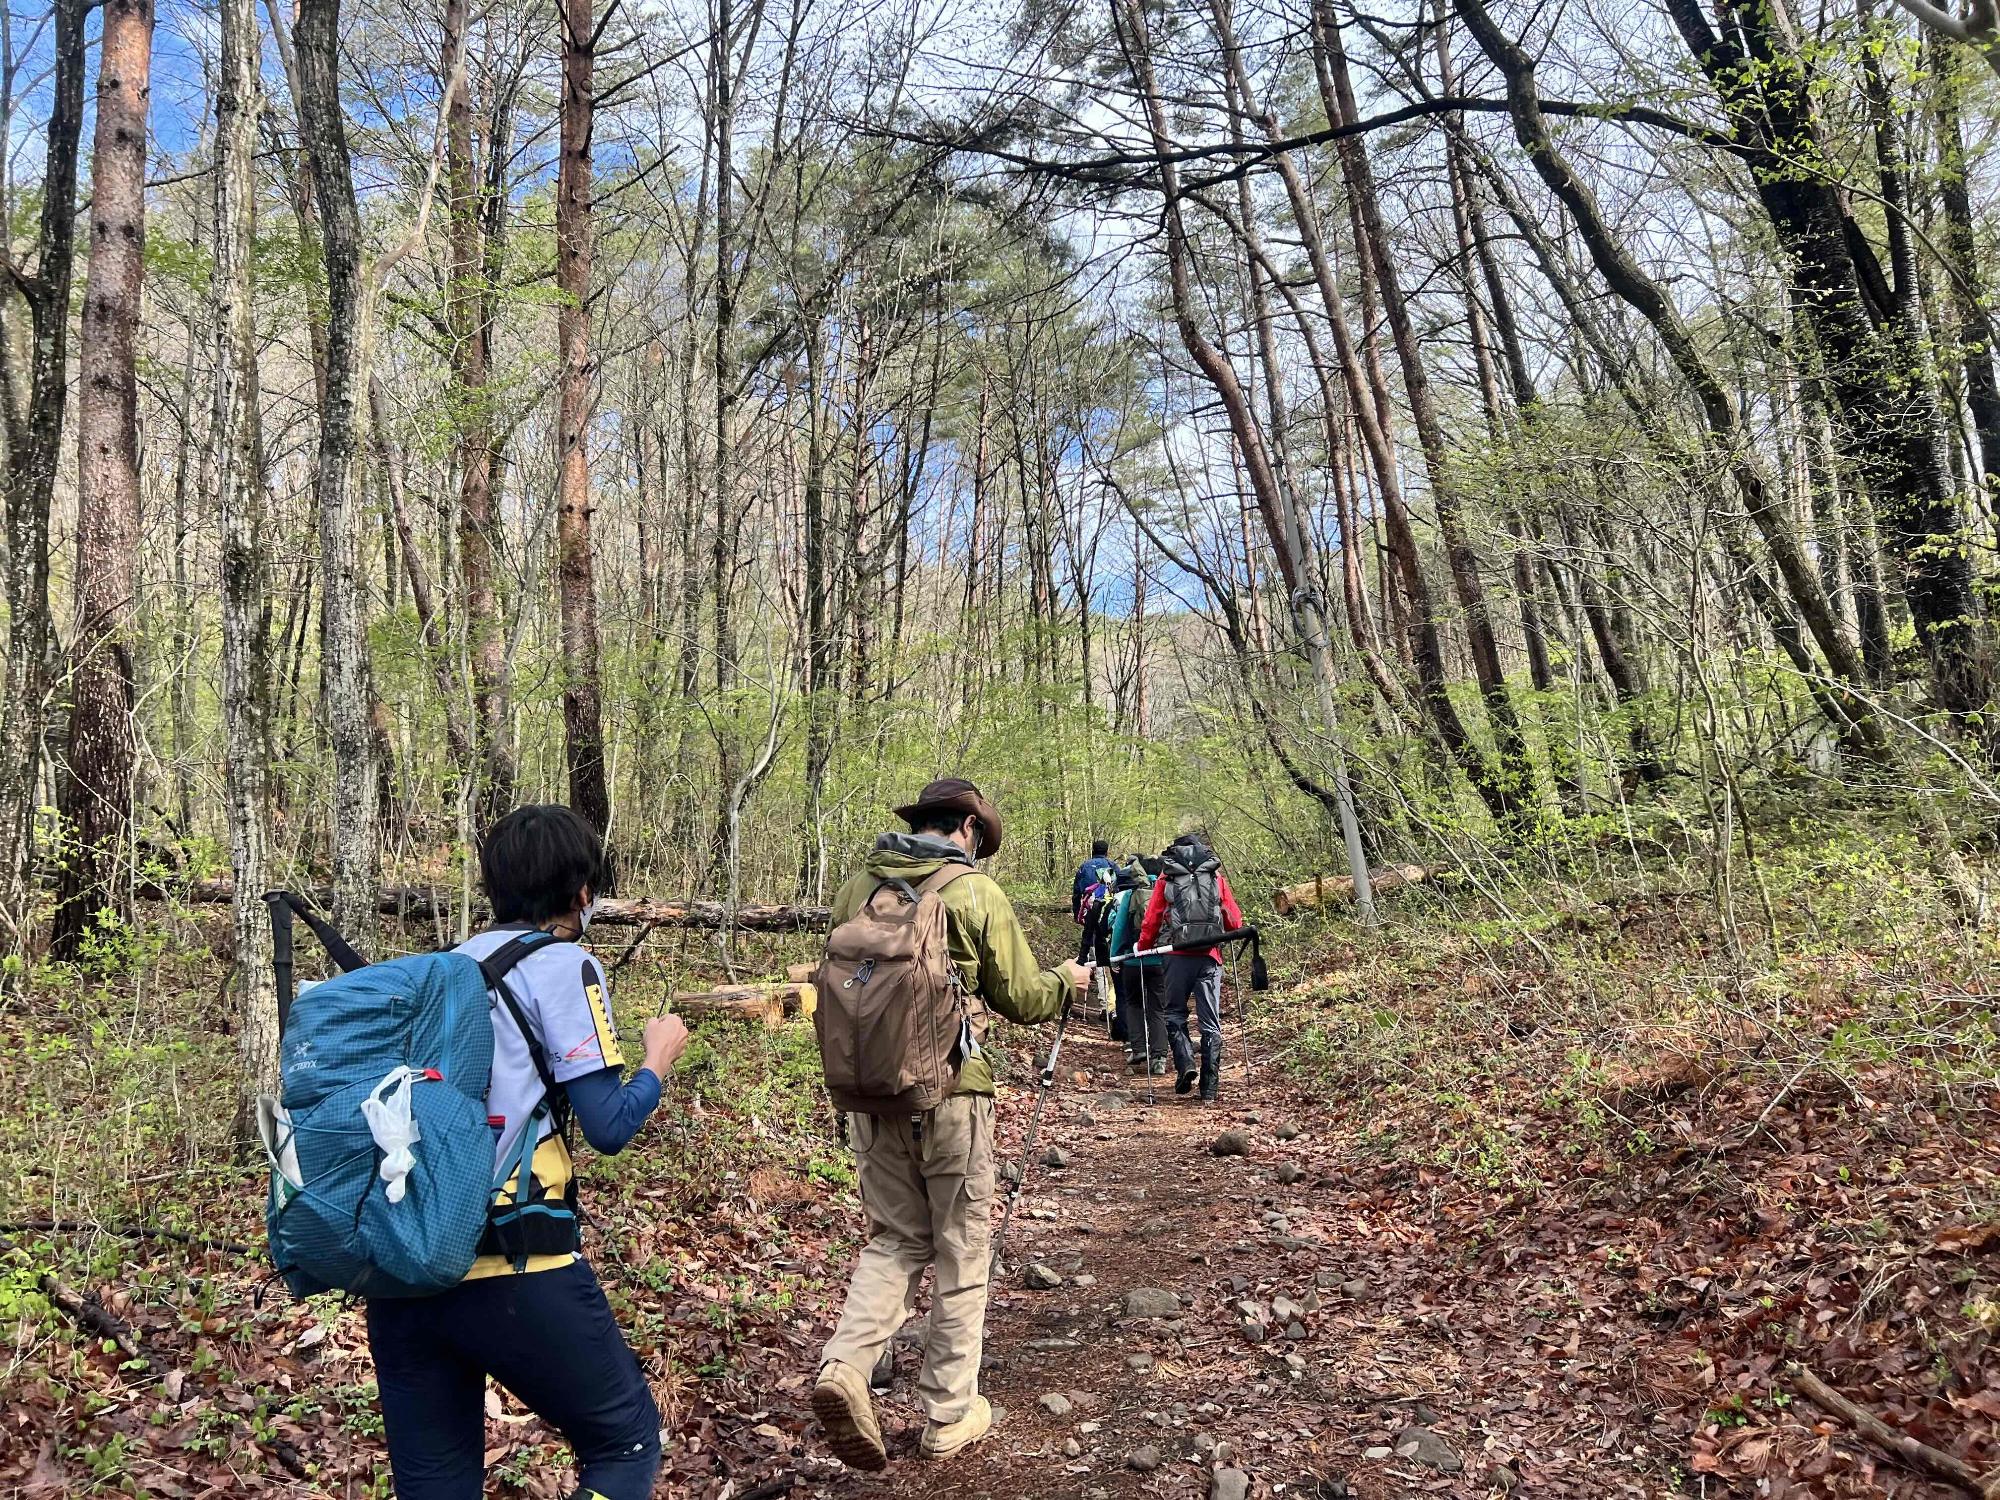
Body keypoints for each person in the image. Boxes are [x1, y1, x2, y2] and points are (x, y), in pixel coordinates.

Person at [365, 805, 689, 1500]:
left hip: (404, 1267)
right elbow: (608, 1124)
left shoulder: (441, 969)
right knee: (625, 1444)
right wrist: (656, 1059)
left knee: (436, 1487)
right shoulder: (565, 965)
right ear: (582, 891)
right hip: (513, 1257)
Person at [812, 778, 1090, 1469]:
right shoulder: (972, 892)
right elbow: (1022, 998)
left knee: (895, 1241)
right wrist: (1065, 980)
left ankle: (846, 1366)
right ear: (966, 828)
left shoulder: (857, 888)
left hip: (872, 1100)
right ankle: (948, 1414)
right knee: (962, 1252)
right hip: (953, 1099)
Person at [1136, 831, 1245, 1104]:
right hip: (1210, 956)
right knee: (1210, 1022)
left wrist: (1143, 945)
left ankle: (1186, 1066)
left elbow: (1152, 918)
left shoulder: (1167, 876)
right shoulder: (1215, 876)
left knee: (1174, 1013)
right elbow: (1233, 920)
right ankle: (1210, 1087)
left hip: (1176, 955)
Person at [1108, 861, 1169, 1076]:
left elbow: (1119, 928)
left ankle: (1139, 1049)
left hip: (1132, 961)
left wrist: (1114, 956)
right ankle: (1160, 1056)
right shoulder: (1165, 893)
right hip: (1159, 961)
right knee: (1157, 1008)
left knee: (1134, 1004)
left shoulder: (1129, 896)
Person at [1071, 838, 1115, 921]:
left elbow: (1076, 891)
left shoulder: (1085, 866)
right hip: (1107, 907)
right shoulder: (1112, 865)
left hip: (1088, 905)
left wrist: (1076, 912)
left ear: (1093, 851)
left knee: (1088, 930)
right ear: (1106, 852)